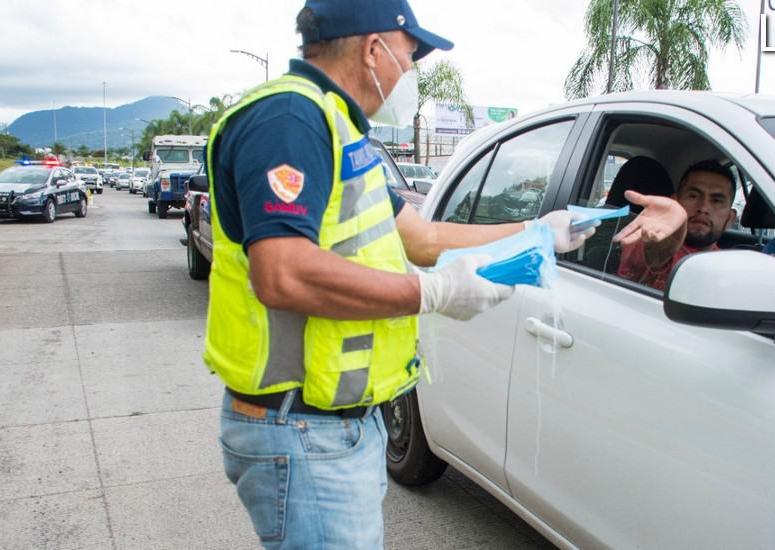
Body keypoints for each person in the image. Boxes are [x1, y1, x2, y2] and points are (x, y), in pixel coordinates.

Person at [205, 1, 596, 548]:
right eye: (410, 57)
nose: (409, 74)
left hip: (334, 425)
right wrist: (432, 293)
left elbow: (423, 238)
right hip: (301, 425)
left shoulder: (338, 129)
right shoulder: (291, 121)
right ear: (373, 50)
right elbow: (284, 273)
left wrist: (536, 230)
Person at [614, 160, 737, 290]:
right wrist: (668, 234)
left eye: (716, 201)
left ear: (730, 218)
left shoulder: (729, 270)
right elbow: (654, 255)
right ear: (675, 202)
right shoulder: (646, 237)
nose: (703, 207)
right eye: (693, 196)